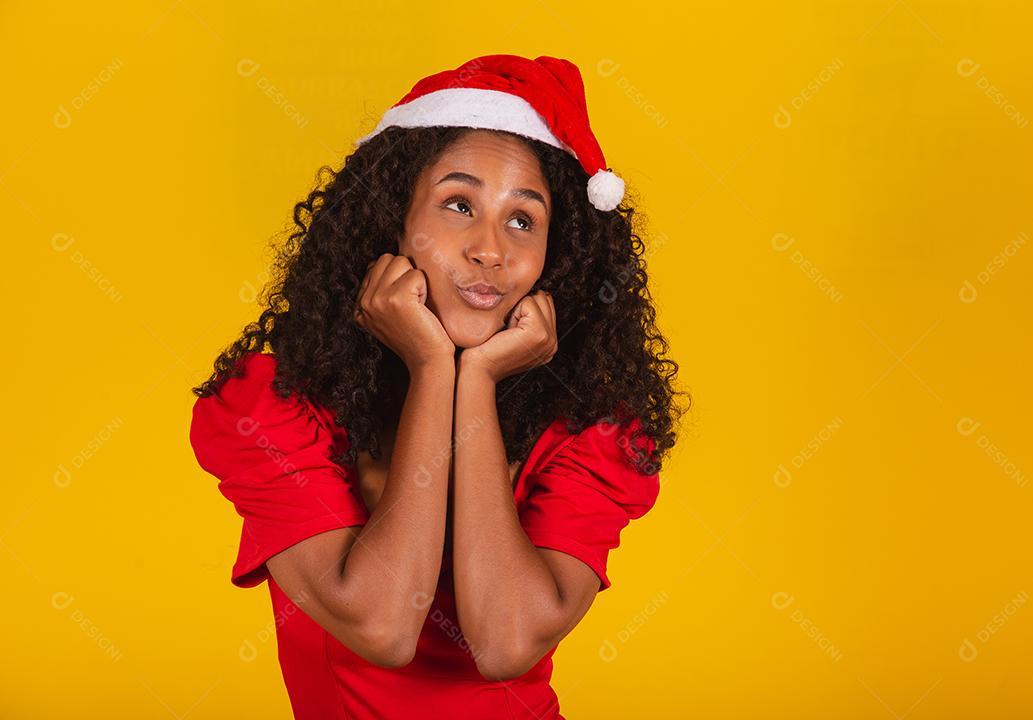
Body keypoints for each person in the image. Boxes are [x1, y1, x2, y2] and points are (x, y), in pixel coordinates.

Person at [189, 53, 687, 720]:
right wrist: (432, 369)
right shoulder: (269, 404)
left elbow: (505, 641)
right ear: (395, 222)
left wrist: (472, 379)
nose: (491, 250)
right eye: (459, 205)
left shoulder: (598, 428)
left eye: (522, 220)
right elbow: (382, 625)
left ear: (554, 256)